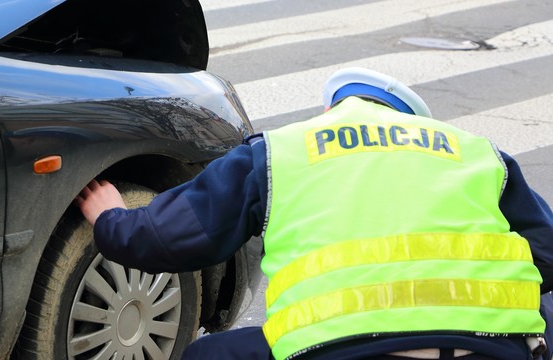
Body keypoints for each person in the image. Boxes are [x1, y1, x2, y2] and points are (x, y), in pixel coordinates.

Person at [74, 67, 553, 360]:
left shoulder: (282, 151)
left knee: (207, 354)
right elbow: (546, 256)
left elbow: (168, 238)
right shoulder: (474, 151)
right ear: (416, 124)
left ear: (330, 109)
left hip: (340, 350)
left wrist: (112, 219)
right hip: (494, 347)